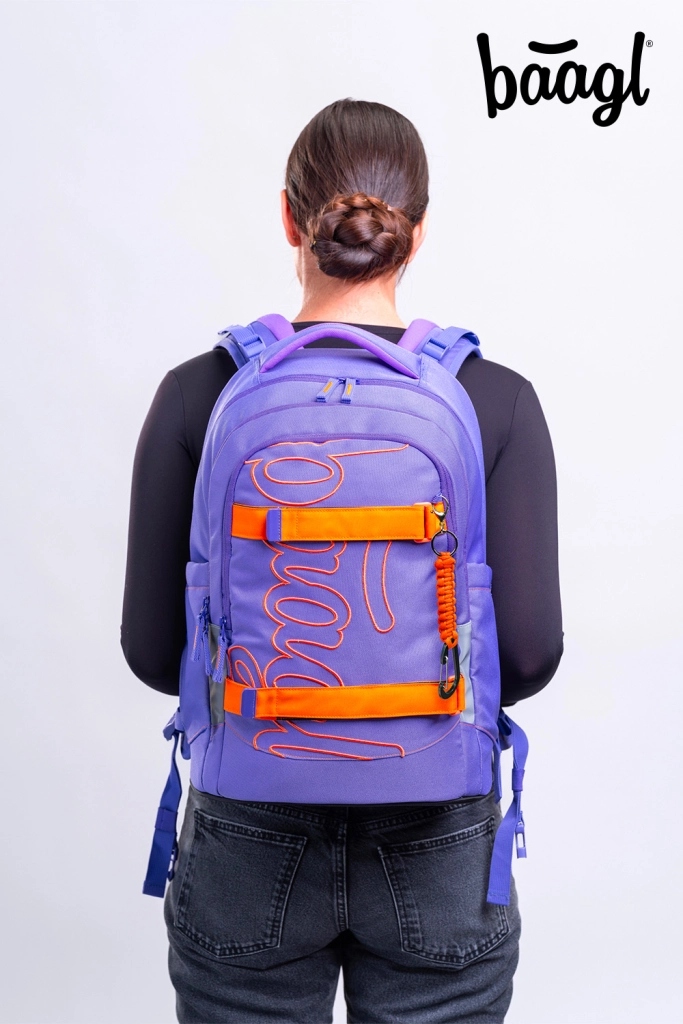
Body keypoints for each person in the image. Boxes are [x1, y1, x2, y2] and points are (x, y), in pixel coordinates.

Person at [122, 98, 563, 1024]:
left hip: (247, 818)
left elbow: (154, 654)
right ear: (418, 231)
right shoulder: (496, 398)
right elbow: (528, 657)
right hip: (438, 824)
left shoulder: (199, 392)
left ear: (289, 218)